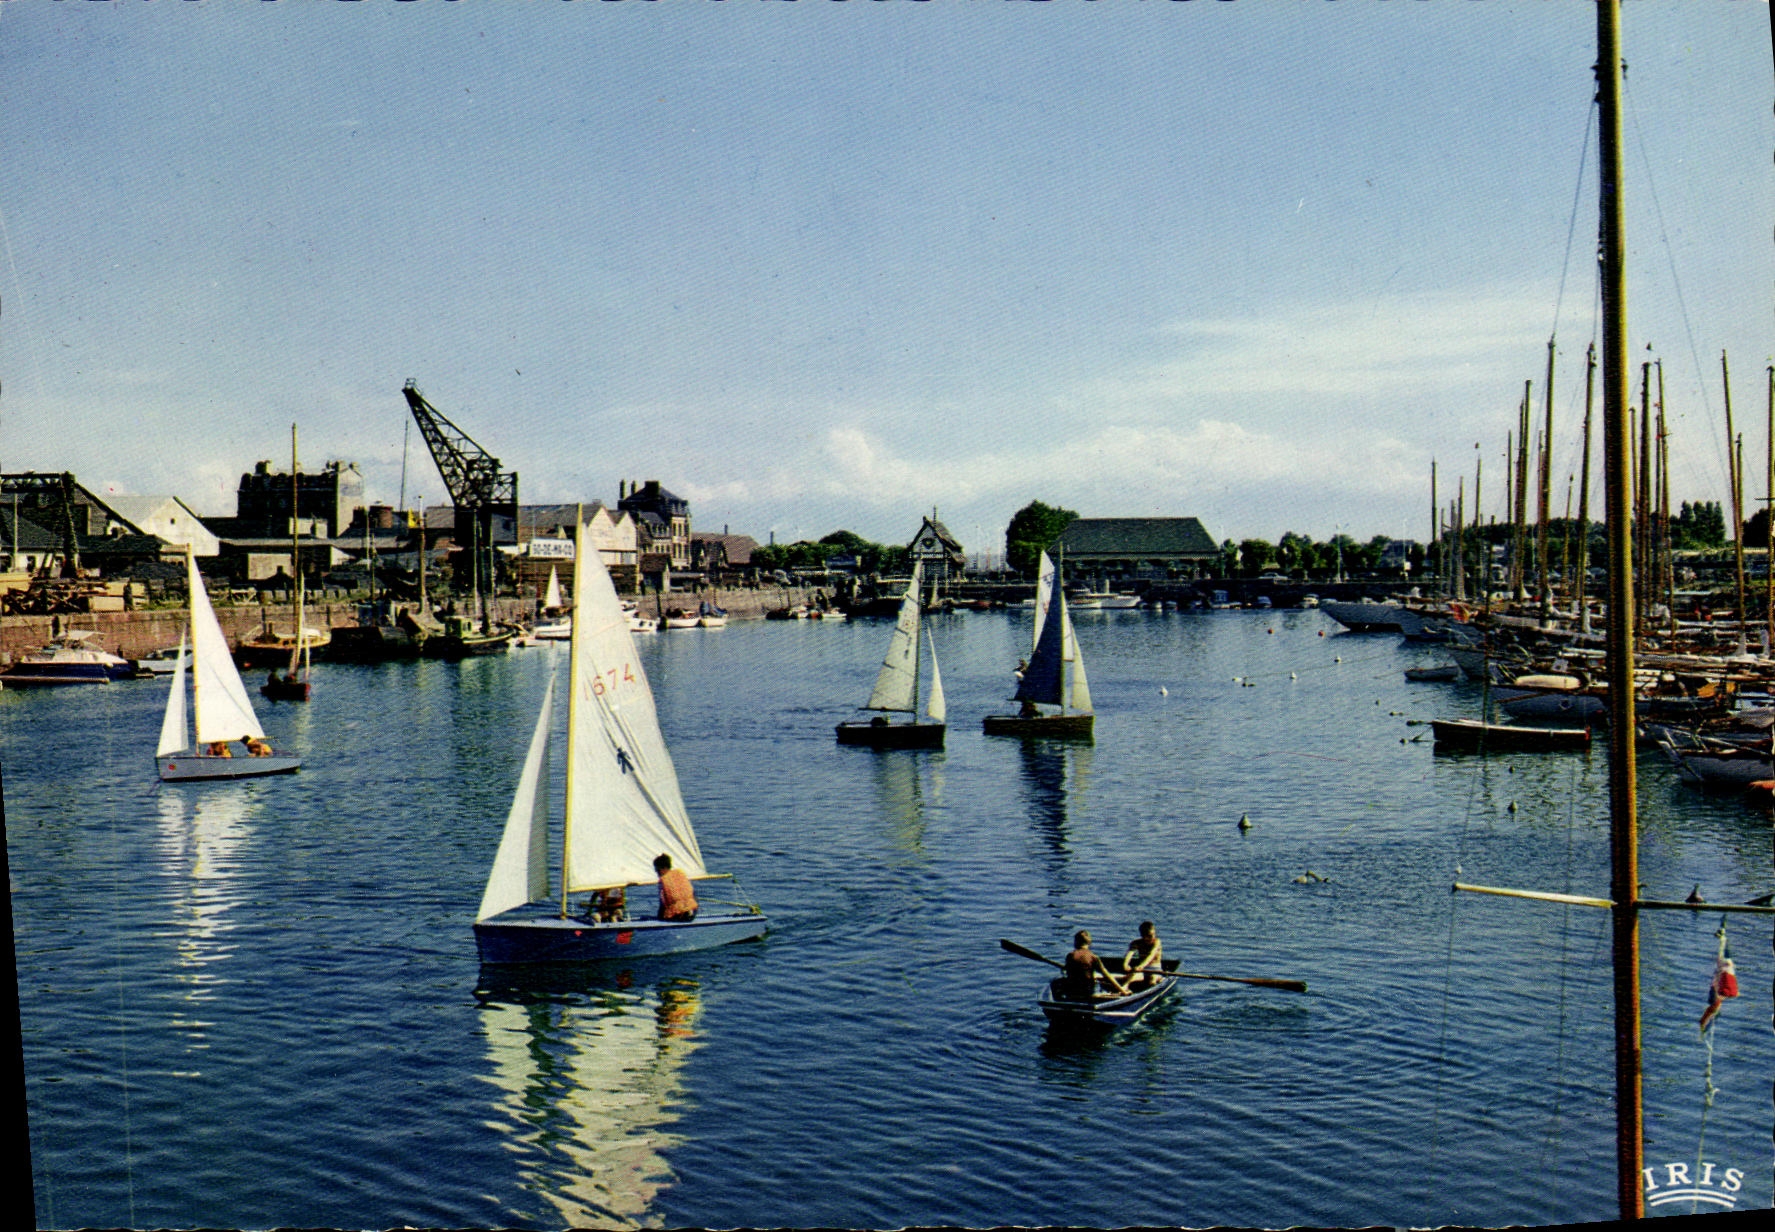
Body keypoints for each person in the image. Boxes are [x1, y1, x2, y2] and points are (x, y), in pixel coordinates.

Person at [1061, 929, 1127, 1001]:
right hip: (1088, 991)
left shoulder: (1070, 956)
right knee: (1100, 983)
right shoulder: (1094, 957)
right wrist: (1122, 991)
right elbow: (1107, 975)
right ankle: (1103, 994)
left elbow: (1068, 972)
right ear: (1089, 943)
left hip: (1073, 990)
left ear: (1076, 943)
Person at [654, 853, 697, 922]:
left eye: (657, 869)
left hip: (679, 914)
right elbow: (692, 893)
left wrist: (659, 918)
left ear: (664, 868)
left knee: (664, 915)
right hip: (693, 910)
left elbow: (663, 903)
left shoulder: (663, 880)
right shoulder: (680, 873)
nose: (656, 872)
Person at [1123, 921, 1164, 990]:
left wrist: (1141, 966)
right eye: (1147, 936)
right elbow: (1130, 953)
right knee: (1132, 976)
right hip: (1142, 970)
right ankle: (1124, 988)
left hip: (1155, 969)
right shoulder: (1136, 943)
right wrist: (1125, 964)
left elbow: (1151, 955)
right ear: (1142, 935)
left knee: (1152, 980)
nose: (1149, 938)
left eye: (1152, 935)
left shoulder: (1157, 942)